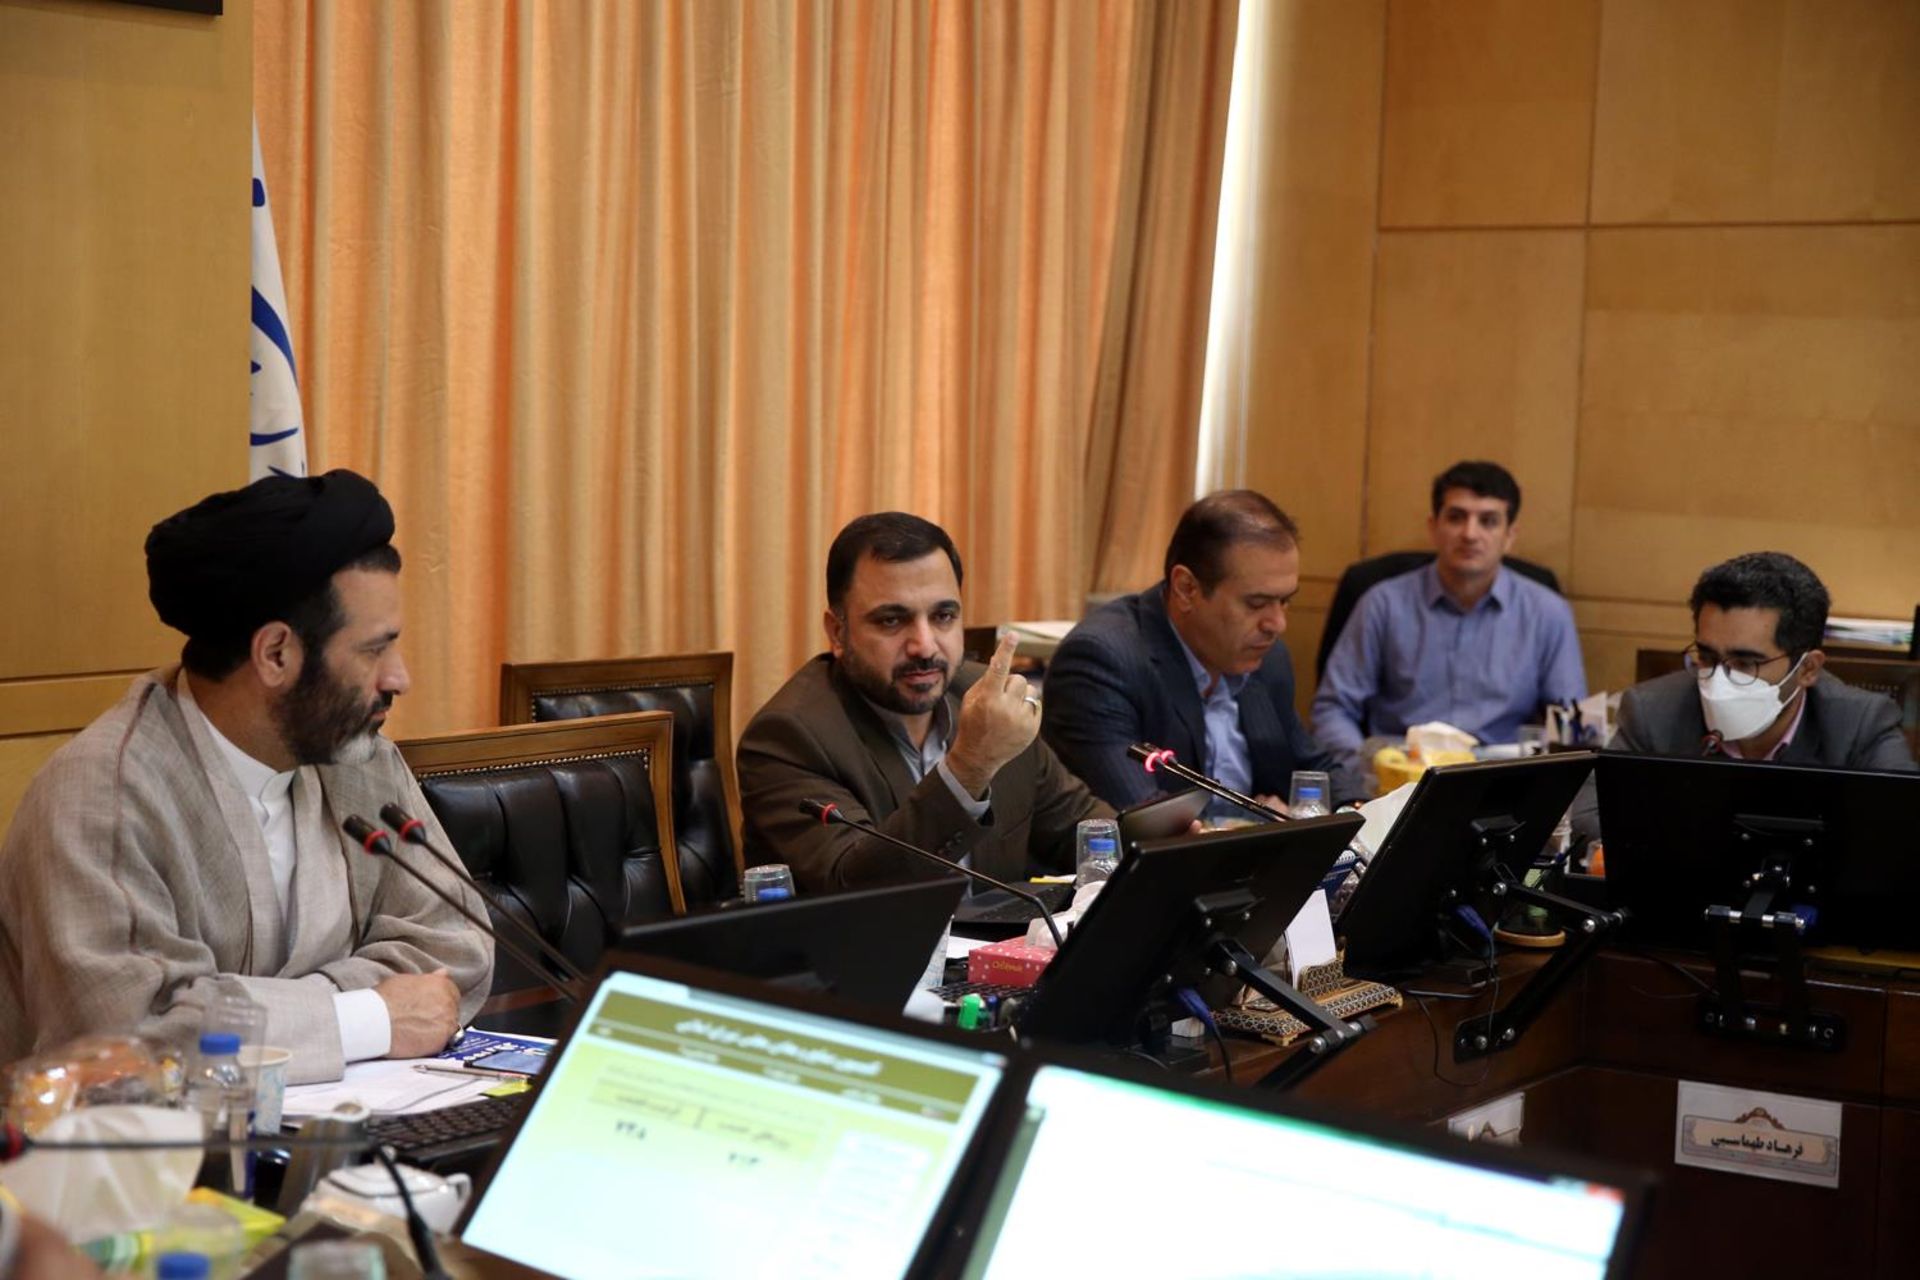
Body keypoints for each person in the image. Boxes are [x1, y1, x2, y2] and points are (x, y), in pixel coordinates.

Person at [0, 471, 492, 1085]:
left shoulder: (358, 761)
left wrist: (240, 1010)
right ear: (276, 654)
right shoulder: (101, 798)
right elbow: (129, 1038)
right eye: (373, 650)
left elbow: (456, 942)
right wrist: (369, 1016)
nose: (398, 678)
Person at [739, 513, 1109, 892]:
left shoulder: (986, 700)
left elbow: (1089, 831)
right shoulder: (788, 738)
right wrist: (970, 765)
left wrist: (1148, 836)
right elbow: (857, 890)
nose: (925, 646)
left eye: (943, 616)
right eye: (891, 621)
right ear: (837, 632)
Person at [1041, 490, 1364, 813]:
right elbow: (1144, 817)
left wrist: (1356, 810)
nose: (1277, 623)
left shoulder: (1268, 659)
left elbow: (1312, 766)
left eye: (1285, 601)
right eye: (1257, 603)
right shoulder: (1103, 661)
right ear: (1186, 589)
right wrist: (1264, 821)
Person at [1570, 551, 1916, 844]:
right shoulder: (1652, 710)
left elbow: (1903, 833)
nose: (1720, 680)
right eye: (1707, 657)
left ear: (1808, 669)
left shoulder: (1862, 723)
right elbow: (1589, 819)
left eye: (1746, 663)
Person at [1311, 461, 1586, 767]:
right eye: (1456, 517)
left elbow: (1570, 723)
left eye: (1488, 521)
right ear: (1434, 527)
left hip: (1500, 776)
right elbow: (1333, 709)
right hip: (1401, 775)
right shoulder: (1383, 604)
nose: (1470, 533)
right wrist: (1368, 770)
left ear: (1510, 536)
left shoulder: (1548, 613)